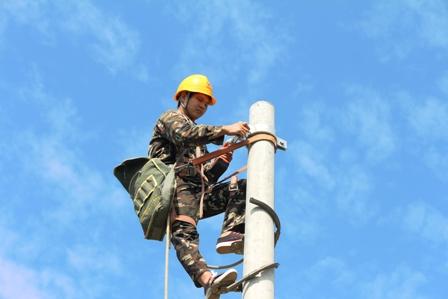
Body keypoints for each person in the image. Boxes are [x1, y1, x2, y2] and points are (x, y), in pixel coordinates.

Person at [148, 74, 250, 298]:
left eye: (206, 103)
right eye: (199, 100)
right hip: (173, 188)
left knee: (241, 187)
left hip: (196, 193)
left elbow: (204, 180)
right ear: (183, 97)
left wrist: (220, 164)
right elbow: (185, 135)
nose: (203, 106)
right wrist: (225, 129)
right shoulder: (170, 118)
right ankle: (208, 281)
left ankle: (231, 233)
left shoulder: (199, 144)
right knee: (184, 234)